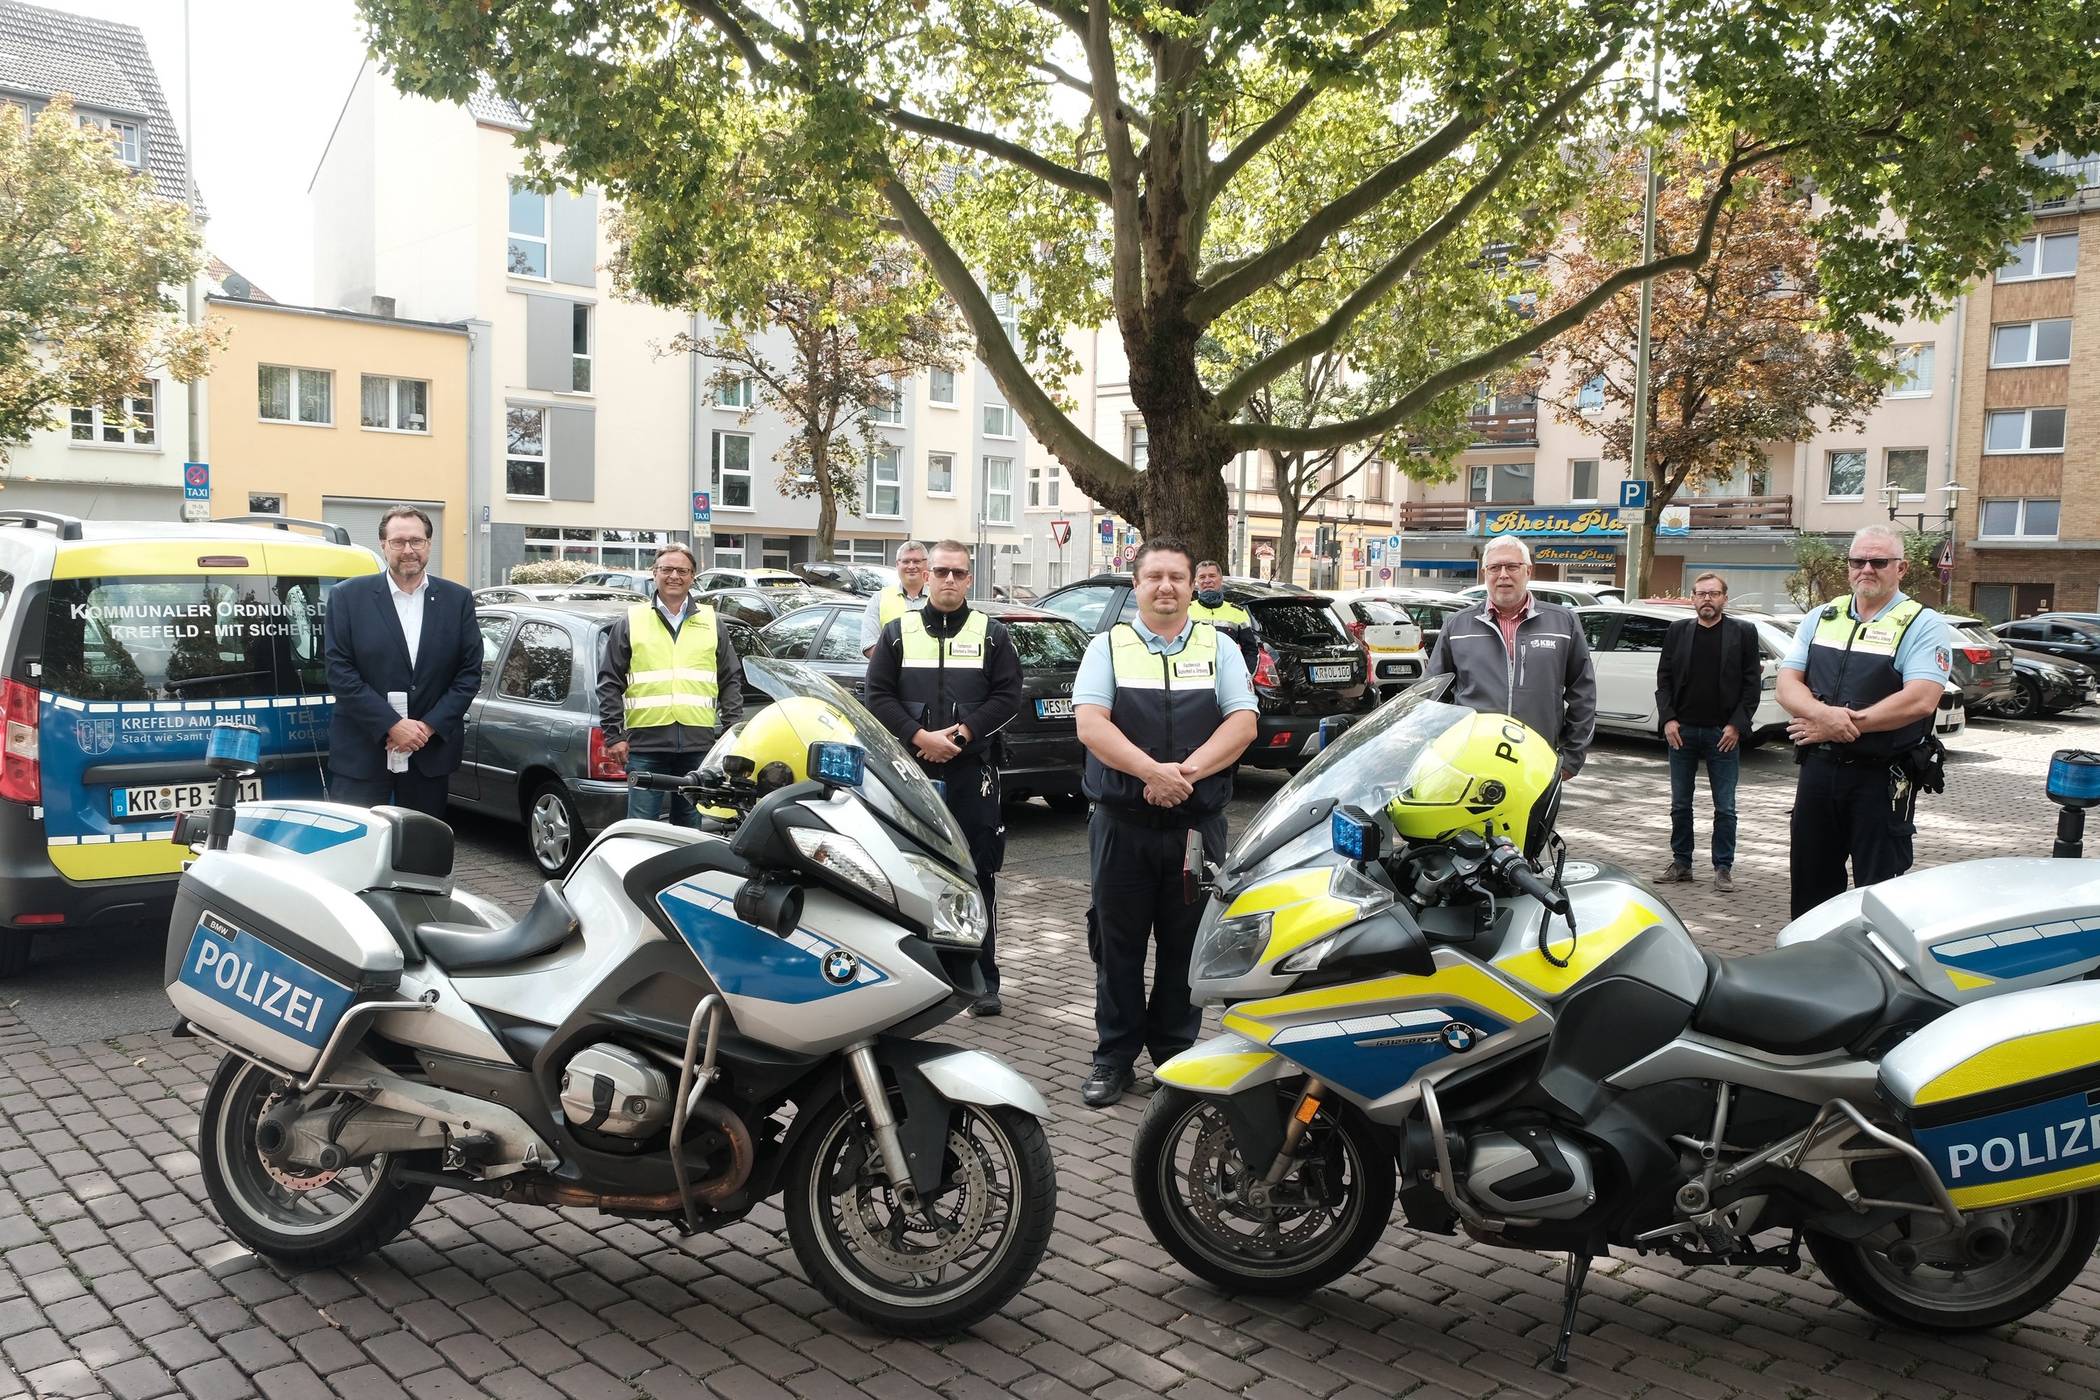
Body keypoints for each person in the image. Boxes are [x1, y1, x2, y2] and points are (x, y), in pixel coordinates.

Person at [1074, 538, 1259, 1107]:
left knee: (1186, 948)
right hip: (1121, 825)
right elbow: (1091, 724)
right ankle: (1114, 1057)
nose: (1166, 587)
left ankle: (1174, 1056)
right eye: (1154, 576)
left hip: (1195, 829)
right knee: (1118, 946)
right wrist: (1152, 772)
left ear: (1190, 584)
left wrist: (1185, 774)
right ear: (1136, 585)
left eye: (1176, 576)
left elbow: (1244, 722)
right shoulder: (1107, 646)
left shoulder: (1221, 646)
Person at [864, 540, 1024, 1016]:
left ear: (969, 578)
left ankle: (982, 978)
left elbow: (1008, 695)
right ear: (926, 577)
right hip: (910, 770)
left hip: (972, 770)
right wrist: (919, 736)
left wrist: (961, 733)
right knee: (905, 872)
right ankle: (914, 975)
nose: (949, 580)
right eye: (942, 572)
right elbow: (877, 696)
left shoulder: (993, 634)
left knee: (977, 873)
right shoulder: (897, 633)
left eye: (958, 573)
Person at [1778, 525, 1952, 917]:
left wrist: (1844, 725)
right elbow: (1787, 685)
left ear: (1901, 568)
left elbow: (1921, 700)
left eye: (1879, 561)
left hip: (1882, 777)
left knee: (1880, 891)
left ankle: (1876, 973)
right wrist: (1825, 718)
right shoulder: (1823, 616)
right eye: (1858, 561)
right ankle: (1810, 967)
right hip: (1819, 770)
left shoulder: (1922, 623)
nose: (1867, 569)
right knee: (1811, 883)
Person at [324, 506, 482, 818]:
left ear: (428, 545)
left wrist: (427, 727)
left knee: (421, 853)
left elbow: (469, 673)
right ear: (382, 545)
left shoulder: (458, 600)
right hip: (361, 754)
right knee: (356, 851)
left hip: (429, 754)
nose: (408, 550)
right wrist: (392, 725)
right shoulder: (347, 597)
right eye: (398, 542)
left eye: (416, 541)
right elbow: (339, 671)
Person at [1423, 536, 1597, 779]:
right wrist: (1437, 750)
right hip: (1471, 761)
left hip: (1538, 761)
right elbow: (1432, 696)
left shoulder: (1563, 622)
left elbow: (1583, 693)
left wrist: (1571, 758)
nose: (1503, 574)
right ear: (1485, 573)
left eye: (1512, 566)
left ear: (1528, 571)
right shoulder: (1457, 625)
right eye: (1494, 567)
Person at [596, 544, 745, 826]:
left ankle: (684, 873)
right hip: (645, 746)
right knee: (642, 828)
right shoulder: (632, 620)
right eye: (667, 569)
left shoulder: (712, 622)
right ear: (655, 573)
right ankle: (641, 872)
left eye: (682, 570)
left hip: (698, 746)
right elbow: (609, 681)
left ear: (692, 577)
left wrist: (731, 734)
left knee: (690, 827)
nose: (674, 576)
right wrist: (614, 735)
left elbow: (730, 680)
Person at [1654, 572, 1761, 892]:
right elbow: (1665, 680)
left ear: (1724, 598)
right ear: (1692, 597)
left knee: (1725, 807)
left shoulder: (1743, 632)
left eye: (1713, 594)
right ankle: (1682, 863)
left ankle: (1723, 867)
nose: (1707, 599)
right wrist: (1669, 719)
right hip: (1681, 732)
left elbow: (1751, 684)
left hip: (1723, 734)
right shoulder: (1678, 631)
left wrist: (1736, 725)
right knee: (1680, 804)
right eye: (1701, 594)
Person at [861, 540, 931, 653]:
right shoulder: (879, 599)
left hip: (931, 670)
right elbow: (869, 645)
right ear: (897, 564)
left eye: (917, 561)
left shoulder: (940, 598)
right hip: (891, 670)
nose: (911, 566)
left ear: (926, 564)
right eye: (906, 561)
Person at [1188, 559, 1257, 666]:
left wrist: (1244, 676)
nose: (1207, 580)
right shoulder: (1186, 611)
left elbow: (1251, 650)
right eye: (1202, 577)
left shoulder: (1238, 613)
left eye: (1212, 576)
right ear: (1196, 581)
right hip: (1196, 676)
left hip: (1228, 676)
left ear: (1220, 579)